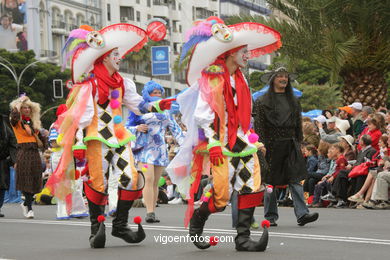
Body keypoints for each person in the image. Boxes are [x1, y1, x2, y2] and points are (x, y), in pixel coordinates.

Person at [45, 24, 175, 248]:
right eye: (115, 55)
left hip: (120, 137)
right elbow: (79, 117)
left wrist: (160, 105)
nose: (119, 58)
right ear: (104, 58)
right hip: (97, 139)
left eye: (118, 54)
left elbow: (139, 106)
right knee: (98, 183)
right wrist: (77, 143)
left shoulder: (123, 83)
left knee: (131, 178)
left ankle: (120, 225)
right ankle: (96, 229)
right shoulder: (90, 85)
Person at [167, 16, 282, 251]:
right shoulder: (212, 79)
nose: (248, 56)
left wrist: (252, 137)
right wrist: (214, 144)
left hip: (241, 140)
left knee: (252, 184)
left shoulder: (241, 80)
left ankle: (243, 238)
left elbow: (242, 115)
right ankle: (198, 221)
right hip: (219, 142)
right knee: (220, 196)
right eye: (244, 52)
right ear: (230, 53)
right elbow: (204, 115)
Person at [254, 66, 319, 227]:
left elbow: (298, 124)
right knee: (270, 182)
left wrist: (298, 143)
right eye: (280, 76)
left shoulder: (294, 101)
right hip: (270, 144)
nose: (283, 79)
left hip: (290, 143)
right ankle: (270, 216)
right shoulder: (262, 101)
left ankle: (302, 214)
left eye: (285, 76)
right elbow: (259, 126)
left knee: (295, 179)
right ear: (273, 80)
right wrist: (261, 145)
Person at [126, 80, 184, 223]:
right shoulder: (139, 109)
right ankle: (149, 212)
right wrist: (136, 128)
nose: (157, 95)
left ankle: (152, 210)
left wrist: (187, 144)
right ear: (147, 94)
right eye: (154, 92)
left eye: (159, 92)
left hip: (160, 151)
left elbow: (175, 128)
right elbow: (125, 127)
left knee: (155, 182)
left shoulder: (166, 110)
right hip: (144, 150)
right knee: (148, 179)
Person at [9, 95, 47, 219]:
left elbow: (42, 142)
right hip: (23, 151)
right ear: (20, 109)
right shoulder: (16, 121)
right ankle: (29, 208)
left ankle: (26, 203)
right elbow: (14, 115)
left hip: (34, 152)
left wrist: (43, 136)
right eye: (24, 108)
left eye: (28, 108)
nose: (26, 110)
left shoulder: (34, 123)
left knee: (35, 178)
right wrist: (19, 102)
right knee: (26, 179)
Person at [0, 114, 17, 217]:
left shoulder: (4, 123)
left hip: (2, 160)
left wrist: (14, 160)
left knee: (2, 185)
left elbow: (12, 142)